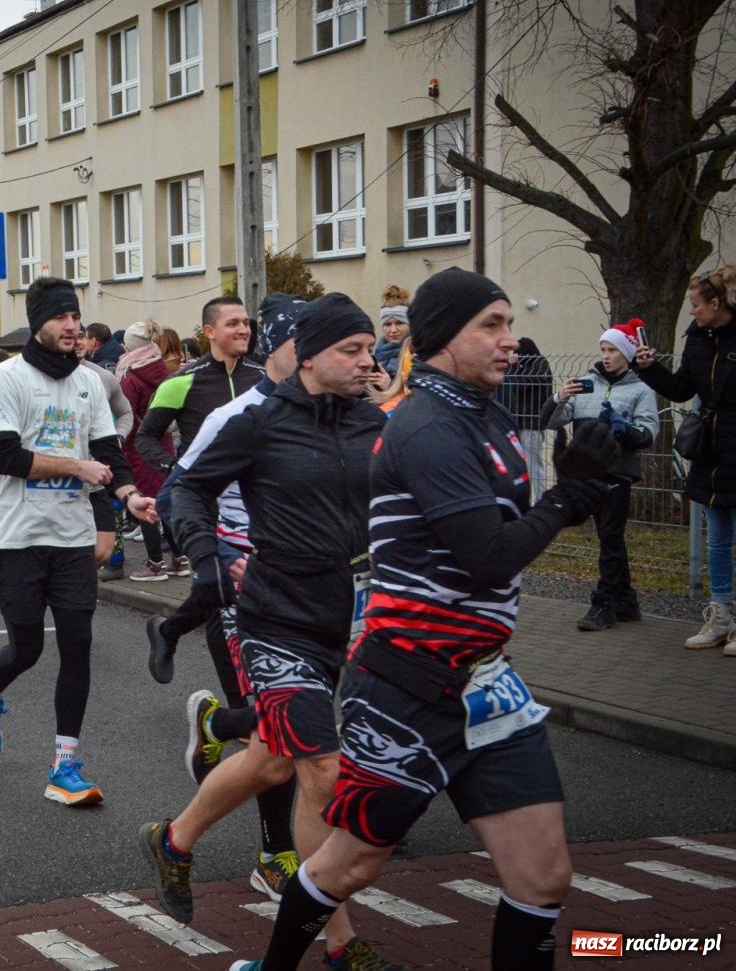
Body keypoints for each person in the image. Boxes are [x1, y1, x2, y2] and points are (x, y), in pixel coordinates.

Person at [221, 268, 618, 971]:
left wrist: (580, 490)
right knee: (349, 866)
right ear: (443, 338)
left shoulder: (487, 415)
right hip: (405, 688)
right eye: (491, 325)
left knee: (543, 877)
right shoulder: (428, 426)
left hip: (487, 684)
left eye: (509, 322)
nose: (510, 339)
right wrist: (567, 499)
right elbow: (487, 558)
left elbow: (508, 530)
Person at [140, 293, 395, 971]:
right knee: (322, 769)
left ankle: (173, 839)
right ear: (308, 355)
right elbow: (183, 490)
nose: (368, 362)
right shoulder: (257, 420)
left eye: (370, 349)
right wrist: (207, 558)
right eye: (351, 349)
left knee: (274, 760)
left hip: (347, 616)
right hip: (274, 619)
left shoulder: (372, 422)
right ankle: (339, 945)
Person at [0, 277, 160, 806]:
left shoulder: (89, 383)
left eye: (75, 317)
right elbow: (6, 456)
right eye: (61, 318)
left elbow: (109, 453)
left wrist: (128, 496)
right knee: (27, 647)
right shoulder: (6, 377)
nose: (73, 326)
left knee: (78, 644)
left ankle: (65, 764)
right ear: (38, 324)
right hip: (15, 536)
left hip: (71, 536)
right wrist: (76, 467)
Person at [155, 293, 306, 900]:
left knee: (301, 725)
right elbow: (176, 492)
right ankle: (275, 854)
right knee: (279, 731)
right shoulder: (234, 415)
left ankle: (214, 720)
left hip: (311, 594)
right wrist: (215, 555)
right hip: (244, 592)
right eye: (307, 342)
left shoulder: (341, 418)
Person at [633, 265, 736, 652]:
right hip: (710, 453)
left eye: (696, 304)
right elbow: (680, 390)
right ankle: (721, 616)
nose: (691, 311)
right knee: (718, 540)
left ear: (716, 303)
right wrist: (648, 369)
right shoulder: (696, 340)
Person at [138, 295, 266, 593]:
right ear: (209, 332)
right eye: (232, 323)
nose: (243, 330)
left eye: (245, 323)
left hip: (257, 501)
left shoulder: (263, 378)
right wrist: (173, 468)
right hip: (207, 503)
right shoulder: (181, 381)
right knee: (216, 589)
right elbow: (146, 436)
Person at [540, 319, 659, 630]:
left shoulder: (640, 389)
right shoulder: (585, 384)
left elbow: (648, 433)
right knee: (609, 536)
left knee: (610, 534)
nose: (606, 356)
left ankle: (604, 602)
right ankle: (626, 601)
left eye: (612, 350)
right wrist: (560, 397)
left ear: (626, 354)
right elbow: (549, 421)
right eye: (603, 349)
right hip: (587, 471)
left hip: (618, 471)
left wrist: (624, 428)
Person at [118, 320, 181, 580]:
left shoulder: (130, 376)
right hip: (163, 444)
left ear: (130, 346)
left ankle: (155, 563)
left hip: (138, 447)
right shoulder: (165, 370)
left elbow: (125, 414)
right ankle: (180, 558)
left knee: (145, 504)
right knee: (164, 501)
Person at [75, 327, 134, 583]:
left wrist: (117, 437)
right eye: (71, 337)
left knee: (103, 545)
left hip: (99, 468)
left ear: (90, 342)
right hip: (62, 476)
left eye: (81, 337)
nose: (76, 342)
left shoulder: (101, 377)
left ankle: (114, 563)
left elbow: (125, 412)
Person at [497, 337, 554, 499]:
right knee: (523, 464)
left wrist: (513, 367)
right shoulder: (532, 366)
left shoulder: (538, 366)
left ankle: (540, 499)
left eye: (518, 353)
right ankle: (530, 499)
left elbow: (518, 385)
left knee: (533, 465)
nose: (515, 356)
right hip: (523, 422)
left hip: (532, 423)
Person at [374, 284, 410, 378]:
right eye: (388, 324)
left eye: (399, 323)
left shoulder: (419, 356)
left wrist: (389, 385)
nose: (393, 330)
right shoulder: (375, 355)